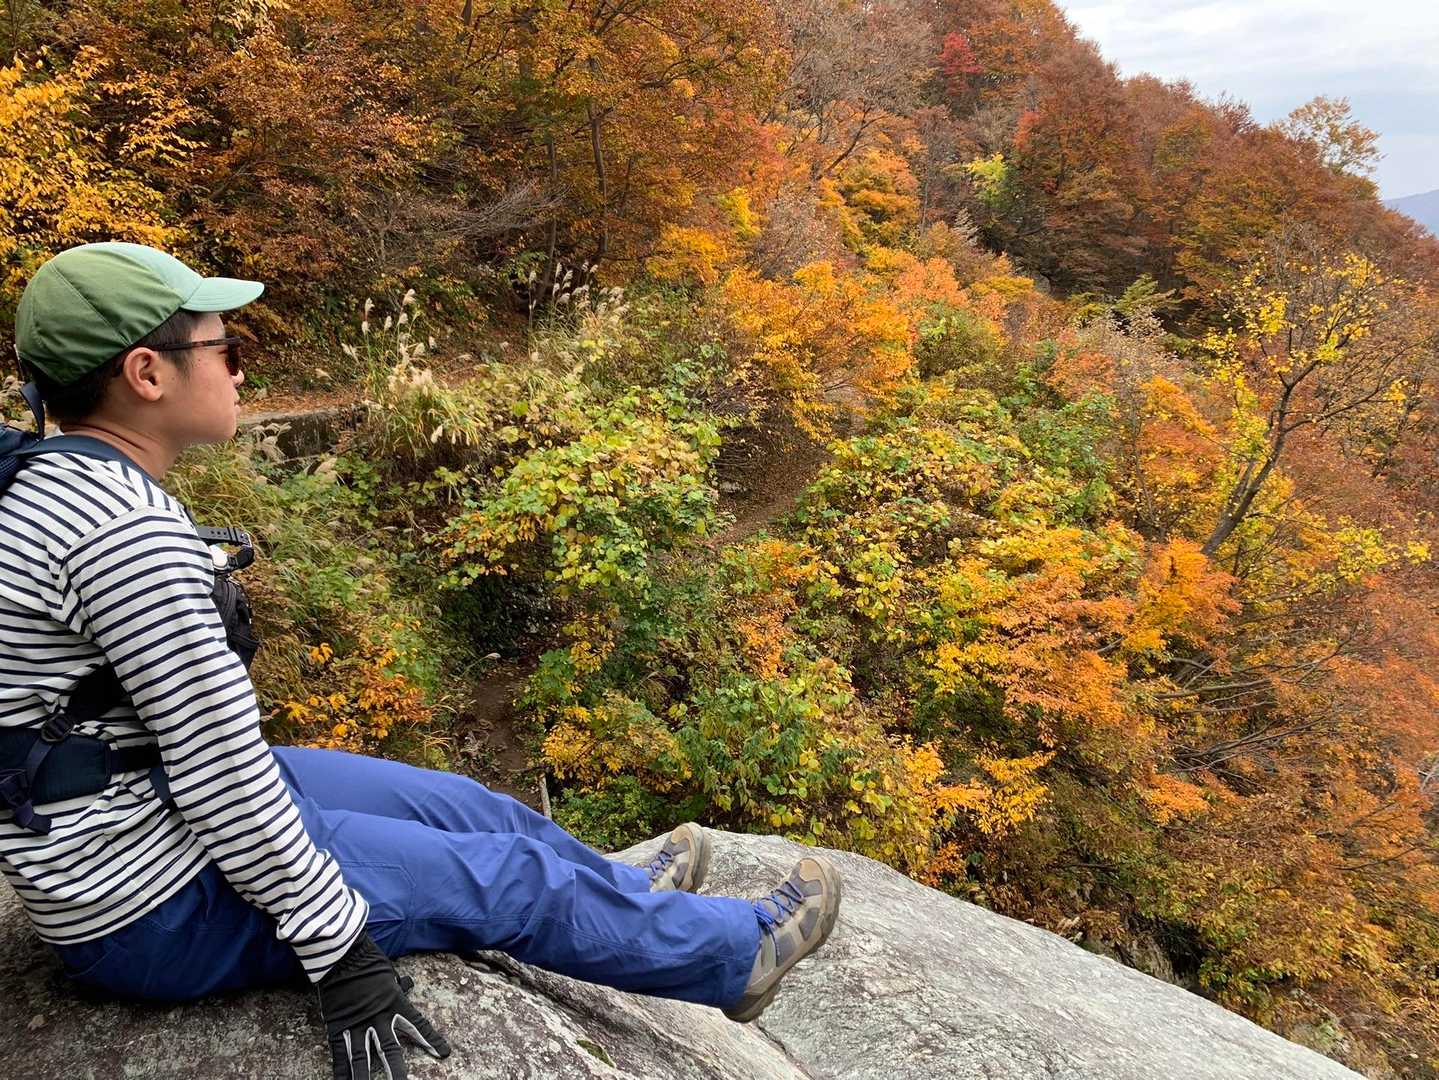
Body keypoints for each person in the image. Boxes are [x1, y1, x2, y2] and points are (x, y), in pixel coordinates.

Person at [0, 242, 843, 1080]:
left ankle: (624, 899)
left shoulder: (55, 483)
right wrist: (338, 948)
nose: (241, 372)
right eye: (228, 348)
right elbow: (219, 772)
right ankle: (735, 955)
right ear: (147, 374)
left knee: (466, 808)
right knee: (509, 880)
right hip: (155, 899)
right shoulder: (124, 537)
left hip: (152, 806)